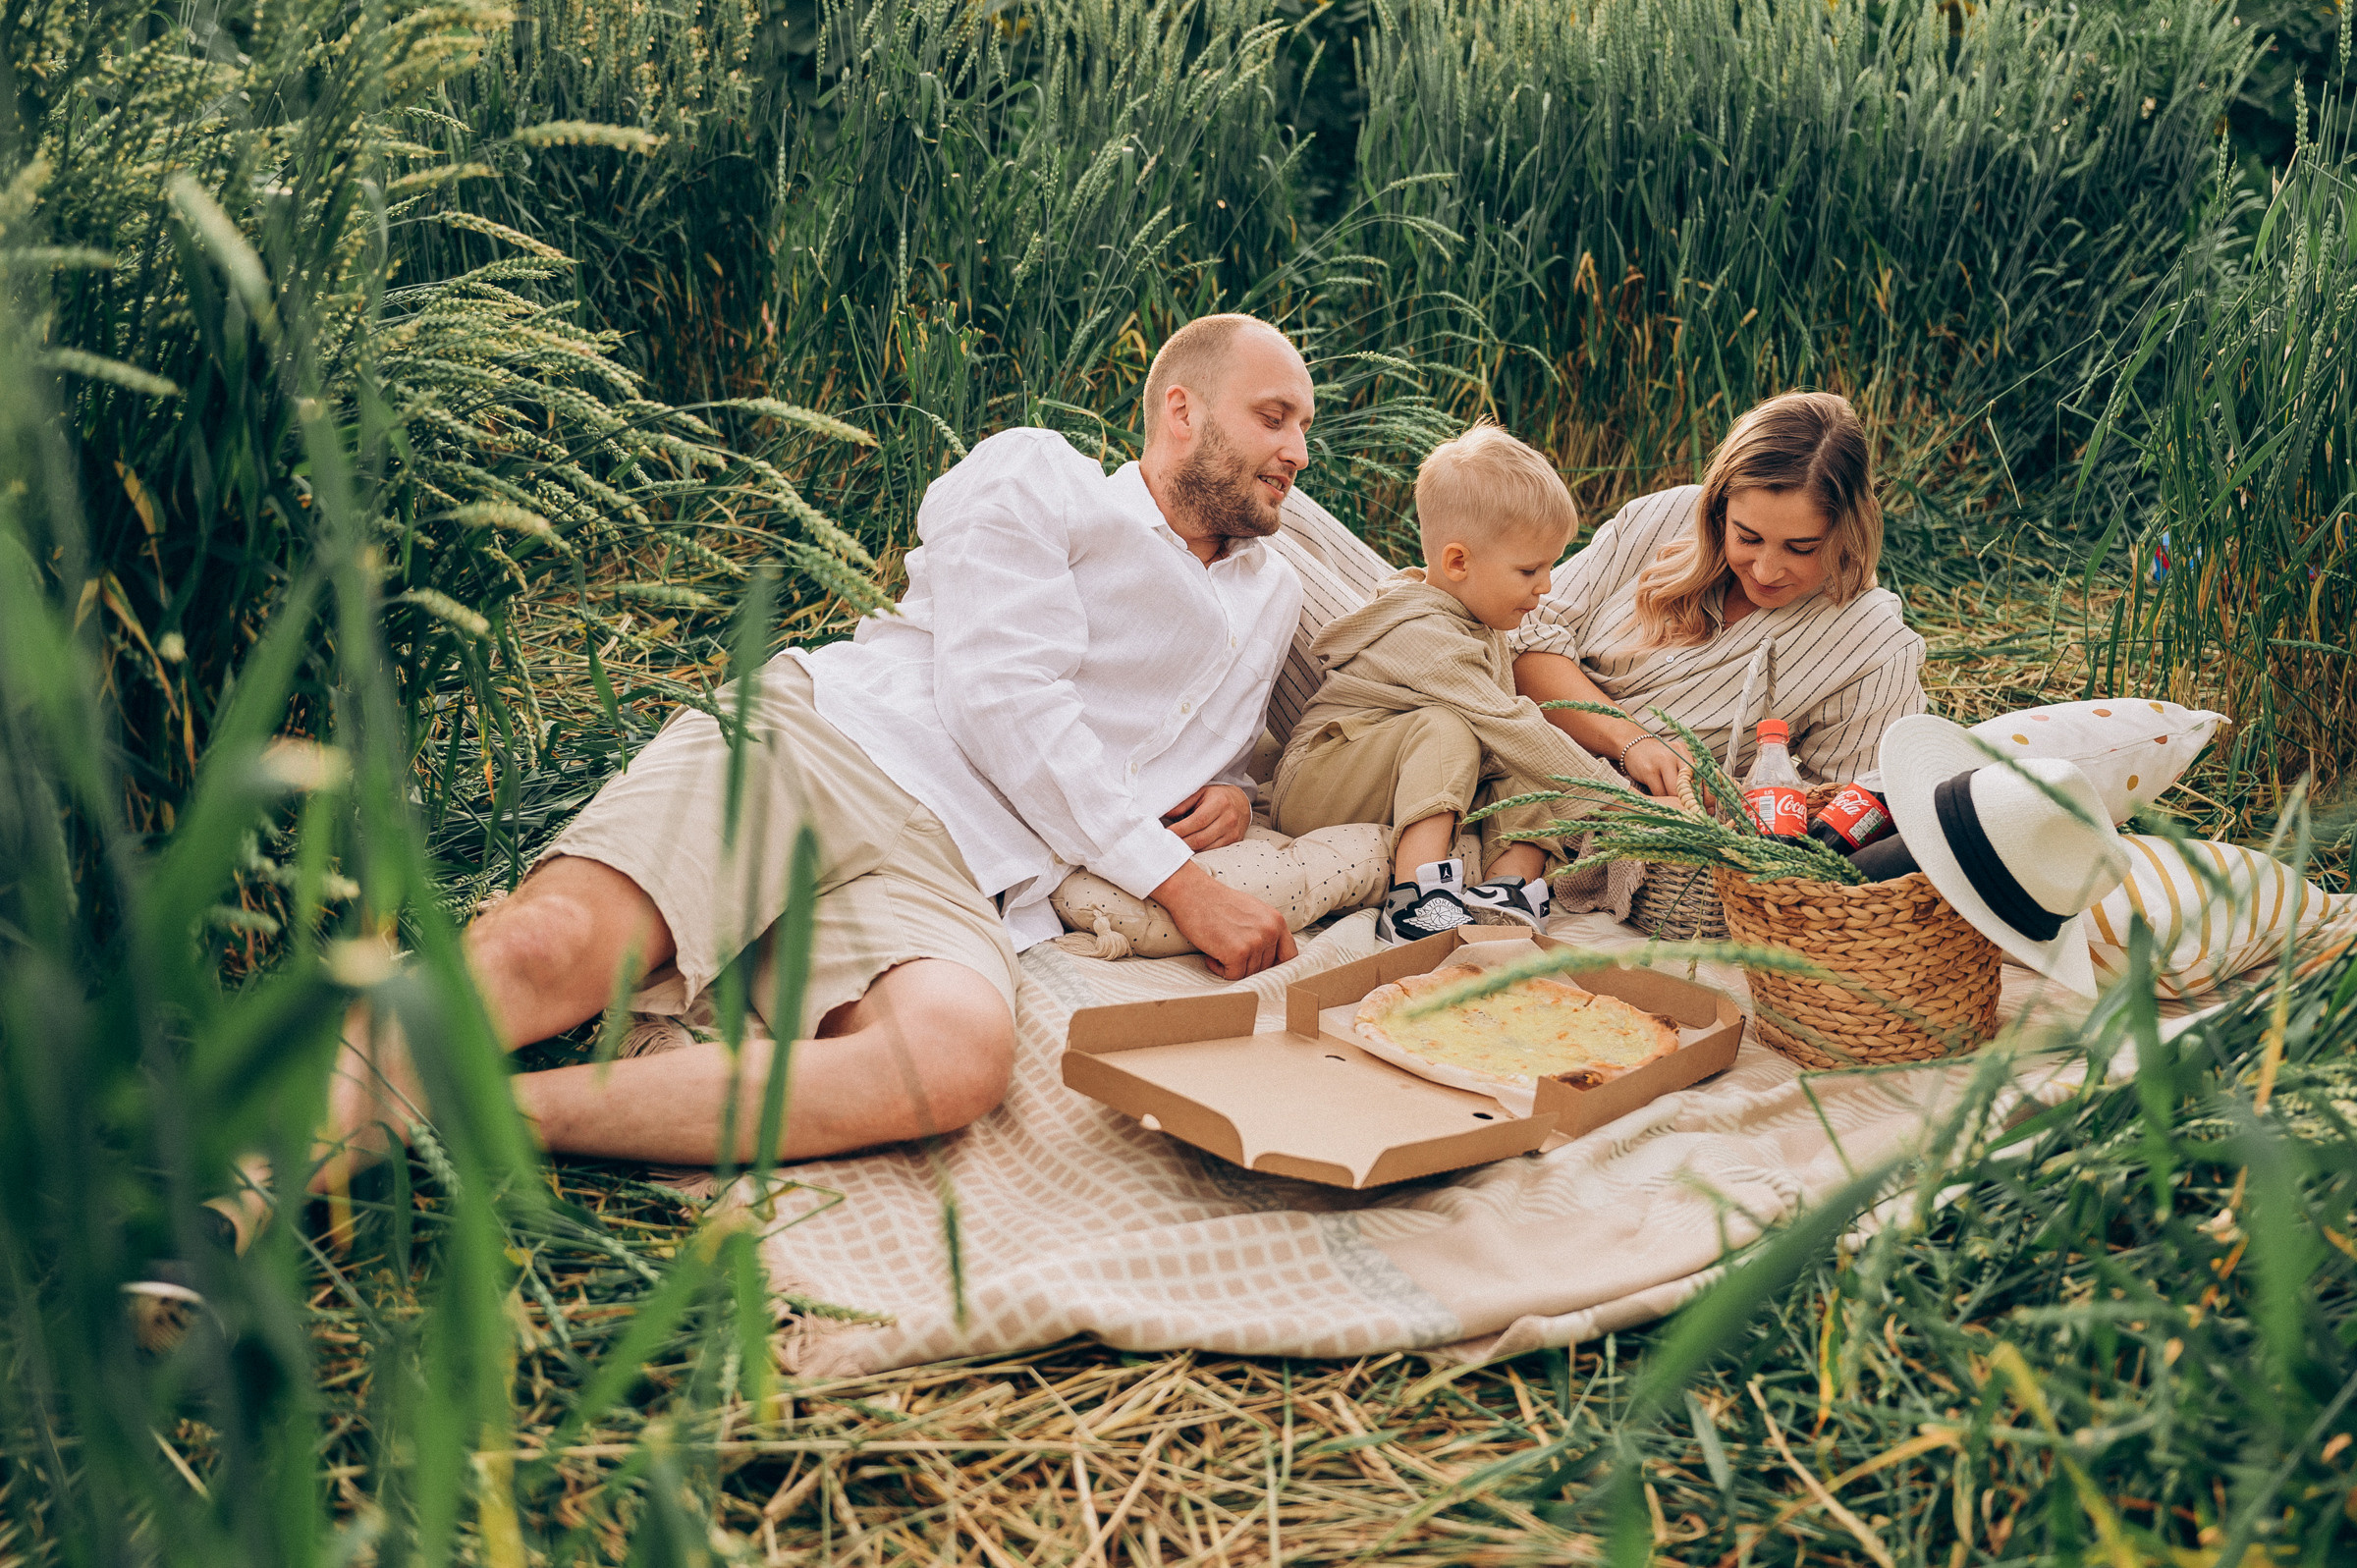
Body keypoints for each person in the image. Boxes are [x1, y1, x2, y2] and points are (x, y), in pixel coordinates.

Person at [222, 313, 1318, 1242]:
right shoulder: (1037, 475)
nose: (1299, 450)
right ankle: (240, 1192)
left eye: (1307, 427)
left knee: (953, 1059)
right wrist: (1179, 880)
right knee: (548, 950)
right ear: (1181, 409)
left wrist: (1236, 789)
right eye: (1276, 416)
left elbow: (1206, 740)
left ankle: (494, 1111)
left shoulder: (1274, 596)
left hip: (971, 868)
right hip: (834, 745)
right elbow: (1001, 695)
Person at [1266, 424, 1619, 942]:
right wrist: (1622, 806)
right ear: (1458, 562)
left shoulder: (1478, 618)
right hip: (1317, 784)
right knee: (1463, 727)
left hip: (1397, 780)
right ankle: (1417, 897)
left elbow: (1518, 737)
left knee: (1528, 761)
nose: (1545, 587)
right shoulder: (1422, 633)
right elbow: (1507, 723)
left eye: (1551, 567)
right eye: (1529, 570)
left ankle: (1506, 890)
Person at [1512, 391, 1927, 796]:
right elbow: (1515, 639)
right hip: (1502, 745)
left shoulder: (1874, 647)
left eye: (1801, 548)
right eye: (1747, 537)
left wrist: (1726, 797)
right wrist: (1633, 741)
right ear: (1719, 507)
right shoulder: (1664, 515)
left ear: (1852, 527)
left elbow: (1847, 805)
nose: (1765, 571)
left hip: (1633, 822)